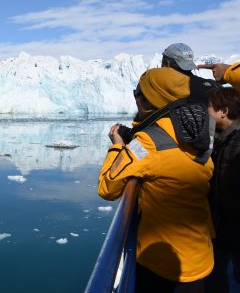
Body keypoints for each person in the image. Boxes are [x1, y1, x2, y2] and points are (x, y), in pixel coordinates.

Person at [98, 67, 214, 292]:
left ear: (148, 100)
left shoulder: (148, 142)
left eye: (137, 95)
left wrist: (117, 146)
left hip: (164, 267)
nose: (136, 100)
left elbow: (107, 188)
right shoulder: (200, 129)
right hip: (201, 255)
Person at [205, 88, 240, 292]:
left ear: (223, 111)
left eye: (208, 107)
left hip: (233, 228)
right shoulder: (221, 139)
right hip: (224, 226)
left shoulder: (236, 144)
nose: (205, 111)